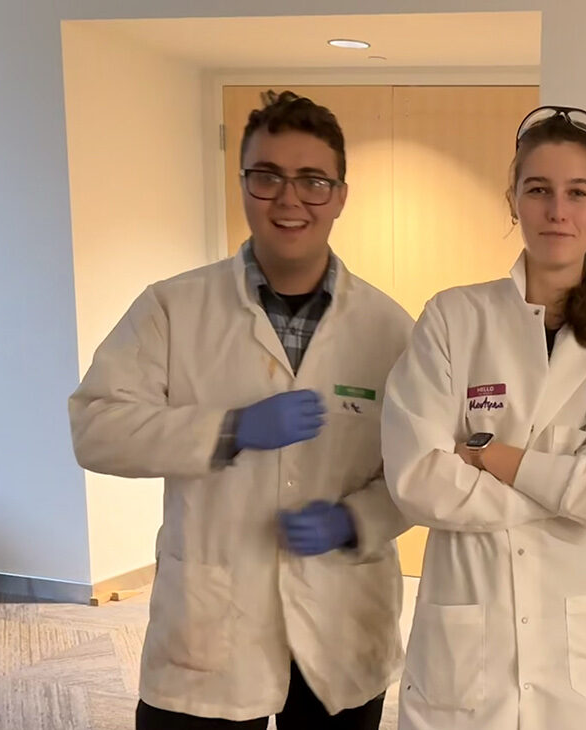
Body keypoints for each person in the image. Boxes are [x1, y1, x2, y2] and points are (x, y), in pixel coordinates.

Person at [69, 91, 412, 730]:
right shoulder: (173, 308)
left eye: (312, 181)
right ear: (242, 185)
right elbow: (96, 427)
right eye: (267, 177)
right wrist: (228, 429)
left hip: (341, 625)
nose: (289, 200)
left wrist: (354, 519)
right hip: (211, 637)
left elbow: (418, 473)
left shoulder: (390, 329)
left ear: (340, 195)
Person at [381, 106, 586, 730]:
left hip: (575, 662)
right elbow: (419, 480)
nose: (558, 210)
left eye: (577, 192)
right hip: (465, 653)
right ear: (514, 201)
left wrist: (495, 459)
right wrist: (564, 489)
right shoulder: (453, 319)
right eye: (539, 190)